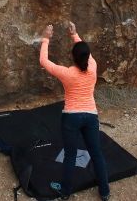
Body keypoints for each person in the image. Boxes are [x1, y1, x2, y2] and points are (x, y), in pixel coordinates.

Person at [39, 22, 110, 201]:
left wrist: (46, 38)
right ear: (87, 57)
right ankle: (105, 191)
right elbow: (88, 54)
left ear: (73, 57)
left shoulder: (67, 73)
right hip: (91, 116)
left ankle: (65, 192)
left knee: (70, 155)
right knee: (96, 153)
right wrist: (75, 34)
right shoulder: (93, 69)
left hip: (71, 117)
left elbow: (44, 61)